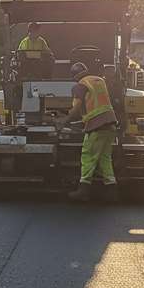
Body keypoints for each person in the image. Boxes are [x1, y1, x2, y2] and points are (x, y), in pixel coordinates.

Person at [59, 62, 118, 201]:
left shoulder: (80, 85)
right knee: (104, 158)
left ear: (74, 76)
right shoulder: (99, 80)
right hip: (110, 124)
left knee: (88, 155)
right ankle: (112, 190)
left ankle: (83, 189)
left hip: (97, 126)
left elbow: (77, 108)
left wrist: (64, 120)